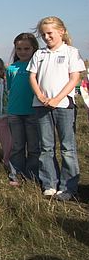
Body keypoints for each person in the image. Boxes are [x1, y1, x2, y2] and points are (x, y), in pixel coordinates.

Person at [28, 16, 84, 201]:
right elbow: (33, 77)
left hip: (64, 106)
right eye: (43, 34)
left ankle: (68, 187)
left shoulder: (71, 52)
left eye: (50, 33)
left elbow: (74, 78)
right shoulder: (39, 54)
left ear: (61, 31)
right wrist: (41, 96)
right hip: (41, 106)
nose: (46, 37)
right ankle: (49, 184)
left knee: (67, 148)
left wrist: (57, 98)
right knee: (46, 147)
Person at [5, 33, 40, 186]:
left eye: (26, 48)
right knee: (18, 145)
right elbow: (10, 88)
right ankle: (16, 174)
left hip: (33, 112)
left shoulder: (38, 65)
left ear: (34, 48)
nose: (22, 51)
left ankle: (32, 174)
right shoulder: (11, 68)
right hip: (14, 112)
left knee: (33, 146)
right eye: (19, 48)